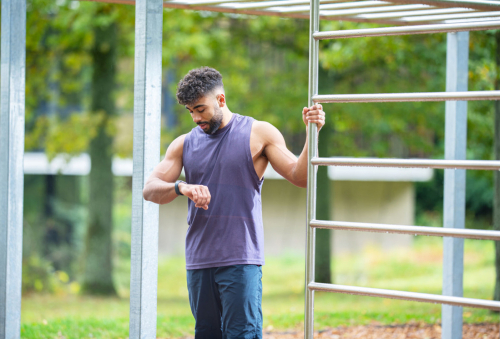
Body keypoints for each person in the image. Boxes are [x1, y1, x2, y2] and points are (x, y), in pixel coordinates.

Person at [142, 66, 325, 339]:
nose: (195, 118)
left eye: (200, 109)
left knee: (242, 335)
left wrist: (313, 133)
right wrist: (182, 187)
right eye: (190, 111)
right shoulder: (183, 144)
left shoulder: (259, 133)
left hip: (241, 260)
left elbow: (301, 177)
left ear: (221, 100)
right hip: (199, 261)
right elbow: (149, 190)